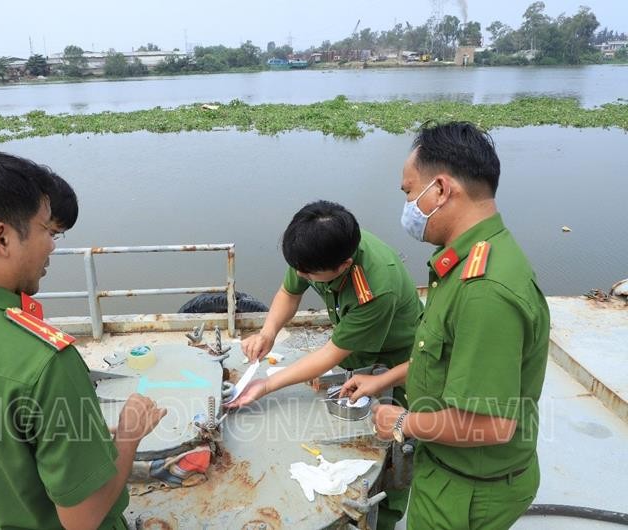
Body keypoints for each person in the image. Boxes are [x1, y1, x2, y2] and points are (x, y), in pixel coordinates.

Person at [0, 150, 166, 530]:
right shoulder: (45, 361)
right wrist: (130, 435)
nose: (52, 246)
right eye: (44, 231)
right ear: (2, 238)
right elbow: (81, 519)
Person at [341, 122, 549, 530]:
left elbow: (494, 424)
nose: (407, 205)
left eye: (408, 192)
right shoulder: (470, 260)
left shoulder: (483, 289)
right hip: (450, 467)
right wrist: (385, 380)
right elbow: (444, 356)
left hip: (467, 488)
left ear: (440, 190)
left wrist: (401, 421)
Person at [228, 200, 422, 530]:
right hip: (354, 340)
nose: (301, 275)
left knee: (391, 442)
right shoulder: (314, 248)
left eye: (307, 273)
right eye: (299, 269)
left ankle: (383, 516)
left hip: (398, 356)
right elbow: (289, 292)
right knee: (347, 405)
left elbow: (332, 354)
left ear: (344, 265)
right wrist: (268, 332)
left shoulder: (375, 287)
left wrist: (266, 385)